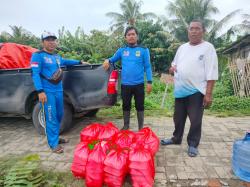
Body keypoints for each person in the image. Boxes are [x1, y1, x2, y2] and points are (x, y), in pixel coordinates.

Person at [161, 20, 218, 157]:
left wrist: (208, 94)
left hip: (197, 91)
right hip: (180, 90)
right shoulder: (182, 48)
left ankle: (193, 144)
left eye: (197, 28)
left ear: (203, 31)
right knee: (178, 118)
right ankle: (176, 138)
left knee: (195, 119)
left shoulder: (208, 48)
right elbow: (173, 66)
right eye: (191, 28)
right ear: (188, 31)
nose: (193, 31)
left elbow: (212, 72)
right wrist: (172, 69)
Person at [30, 31, 87, 154]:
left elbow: (67, 61)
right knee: (50, 117)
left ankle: (56, 138)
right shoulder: (38, 56)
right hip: (47, 91)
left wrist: (80, 62)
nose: (51, 42)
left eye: (53, 40)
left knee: (59, 115)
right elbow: (35, 74)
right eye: (48, 39)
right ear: (43, 42)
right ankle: (53, 144)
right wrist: (40, 91)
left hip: (58, 90)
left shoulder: (56, 57)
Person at [103, 26, 153, 130]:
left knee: (140, 106)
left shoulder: (144, 50)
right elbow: (112, 59)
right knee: (126, 105)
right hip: (126, 84)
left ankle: (140, 127)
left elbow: (148, 67)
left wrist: (149, 81)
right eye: (128, 35)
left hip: (139, 84)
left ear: (137, 36)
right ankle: (126, 126)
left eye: (133, 34)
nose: (131, 36)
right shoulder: (122, 50)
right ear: (125, 37)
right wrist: (107, 60)